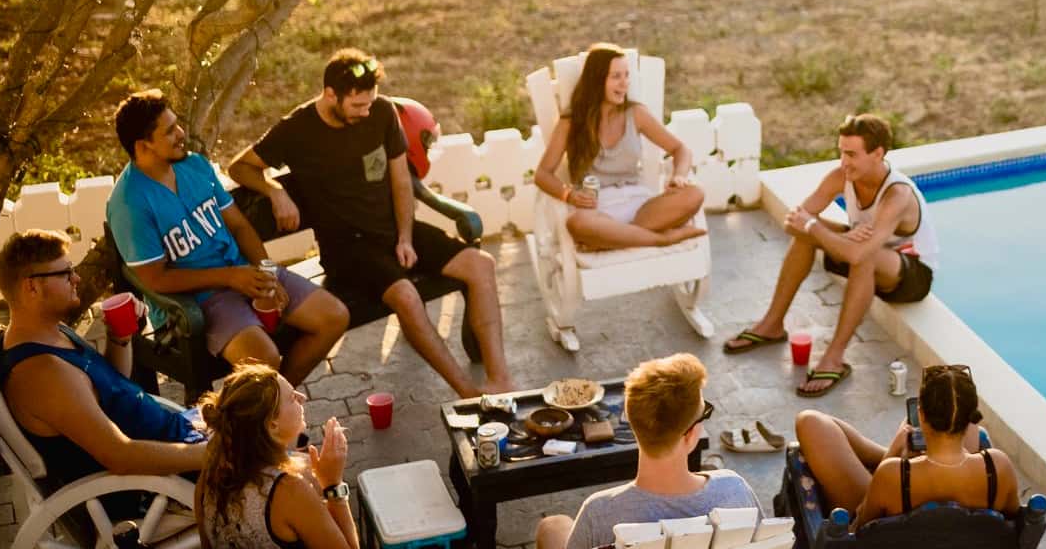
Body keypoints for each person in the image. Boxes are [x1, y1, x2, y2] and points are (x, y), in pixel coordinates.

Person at [228, 49, 515, 399]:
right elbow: (239, 166)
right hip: (348, 249)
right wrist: (274, 190)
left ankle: (501, 382)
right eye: (357, 105)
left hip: (392, 231)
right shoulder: (297, 129)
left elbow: (399, 180)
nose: (366, 112)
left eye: (369, 103)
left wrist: (406, 237)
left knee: (481, 264)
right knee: (407, 297)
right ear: (330, 94)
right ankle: (468, 394)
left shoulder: (380, 112)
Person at [107, 89, 347, 385]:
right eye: (169, 131)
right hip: (198, 302)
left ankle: (271, 403)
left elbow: (240, 227)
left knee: (334, 316)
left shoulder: (194, 165)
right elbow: (154, 279)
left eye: (177, 124)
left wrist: (267, 273)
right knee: (265, 360)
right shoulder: (130, 202)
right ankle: (265, 407)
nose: (181, 133)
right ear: (144, 146)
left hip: (246, 273)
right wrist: (231, 277)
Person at [724, 114, 939, 396]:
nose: (843, 161)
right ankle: (772, 325)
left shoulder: (896, 194)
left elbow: (858, 252)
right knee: (806, 237)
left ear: (878, 154)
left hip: (910, 275)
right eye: (841, 152)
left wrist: (816, 227)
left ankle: (834, 358)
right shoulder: (842, 177)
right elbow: (793, 221)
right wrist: (826, 232)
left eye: (851, 154)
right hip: (864, 250)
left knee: (858, 253)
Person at [0, 229, 205, 486]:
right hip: (164, 480)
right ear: (32, 287)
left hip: (179, 438)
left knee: (256, 406)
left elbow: (108, 389)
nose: (77, 279)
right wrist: (214, 453)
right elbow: (120, 456)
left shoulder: (51, 331)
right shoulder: (41, 372)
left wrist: (119, 337)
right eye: (65, 273)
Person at [531, 354, 753, 549]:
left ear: (634, 425)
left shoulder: (599, 513)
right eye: (704, 414)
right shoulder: (734, 490)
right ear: (689, 435)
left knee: (552, 526)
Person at [195, 363, 401, 549]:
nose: (302, 397)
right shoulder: (286, 490)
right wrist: (333, 485)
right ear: (272, 425)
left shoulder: (211, 470)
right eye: (292, 398)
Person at [794, 364, 1018, 525]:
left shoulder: (892, 474)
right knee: (954, 402)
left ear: (920, 415)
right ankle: (915, 451)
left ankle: (896, 451)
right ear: (972, 416)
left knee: (810, 421)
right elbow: (1012, 521)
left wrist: (893, 456)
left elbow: (858, 533)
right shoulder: (998, 466)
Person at [531, 43, 707, 249]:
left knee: (695, 194)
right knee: (577, 223)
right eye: (616, 77)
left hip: (639, 205)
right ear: (597, 81)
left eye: (626, 75)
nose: (625, 84)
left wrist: (679, 175)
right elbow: (542, 174)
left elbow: (680, 149)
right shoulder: (571, 122)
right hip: (597, 208)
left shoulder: (636, 114)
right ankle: (661, 239)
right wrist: (567, 194)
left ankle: (619, 238)